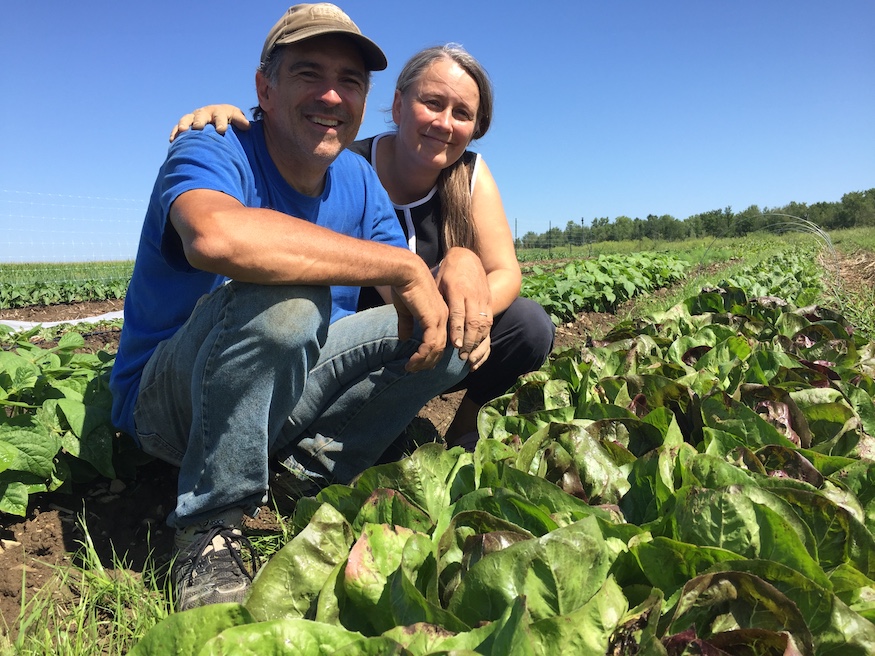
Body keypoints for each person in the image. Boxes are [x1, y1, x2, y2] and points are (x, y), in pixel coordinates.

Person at [110, 3, 472, 613]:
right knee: (291, 300)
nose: (331, 95)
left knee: (450, 331)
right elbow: (215, 238)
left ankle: (301, 477)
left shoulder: (357, 178)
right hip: (170, 403)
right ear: (264, 88)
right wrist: (403, 265)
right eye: (308, 73)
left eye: (350, 81)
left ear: (364, 100)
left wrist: (455, 265)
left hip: (283, 387)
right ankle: (209, 526)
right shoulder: (216, 144)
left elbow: (409, 301)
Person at [172, 44, 556, 450]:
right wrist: (241, 121)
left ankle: (462, 433)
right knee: (298, 320)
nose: (445, 123)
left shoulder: (469, 174)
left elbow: (504, 272)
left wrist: (466, 307)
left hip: (408, 327)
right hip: (343, 329)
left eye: (462, 113)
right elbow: (249, 219)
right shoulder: (341, 161)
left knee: (526, 326)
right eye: (432, 103)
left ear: (476, 126)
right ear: (397, 105)